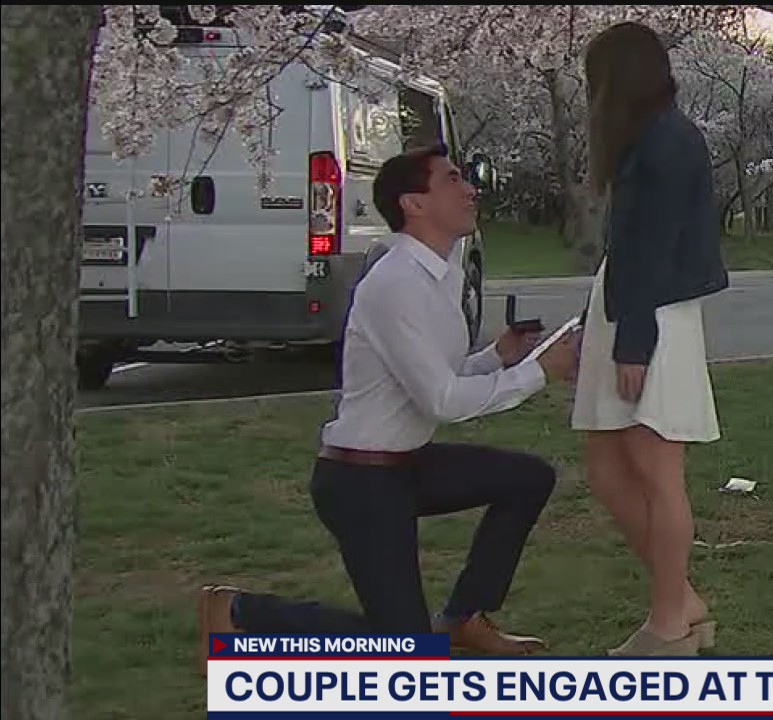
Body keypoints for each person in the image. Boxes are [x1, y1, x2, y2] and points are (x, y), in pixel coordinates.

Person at [196, 144, 581, 669]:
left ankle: (464, 616)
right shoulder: (396, 282)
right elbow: (441, 399)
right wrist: (540, 372)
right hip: (360, 482)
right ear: (413, 204)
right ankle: (241, 610)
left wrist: (499, 357)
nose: (469, 190)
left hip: (407, 466)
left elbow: (434, 377)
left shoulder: (437, 275)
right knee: (409, 654)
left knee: (528, 477)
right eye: (451, 181)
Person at [570, 22, 729, 657]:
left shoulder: (667, 142)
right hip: (629, 300)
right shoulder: (650, 139)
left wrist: (633, 341)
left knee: (656, 469)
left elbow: (657, 249)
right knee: (607, 468)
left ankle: (670, 623)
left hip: (652, 313)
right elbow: (631, 245)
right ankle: (681, 598)